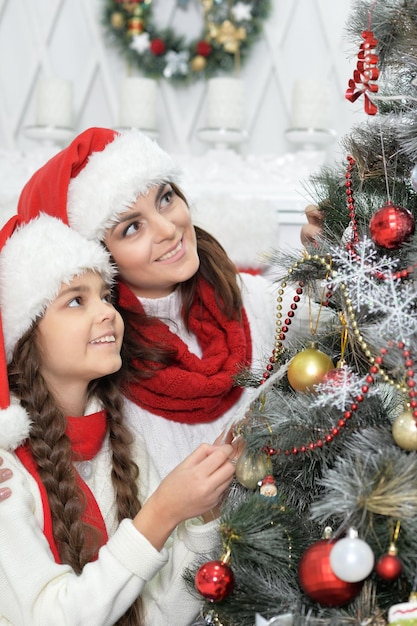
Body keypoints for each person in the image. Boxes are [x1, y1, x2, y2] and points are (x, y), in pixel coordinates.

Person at [17, 127, 331, 478]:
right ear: (99, 258)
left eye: (165, 198)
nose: (168, 228)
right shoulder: (98, 361)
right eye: (132, 228)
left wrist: (334, 265)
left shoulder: (251, 299)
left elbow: (356, 331)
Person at [0, 213, 236, 625]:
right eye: (76, 300)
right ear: (24, 334)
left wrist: (202, 513)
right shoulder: (6, 473)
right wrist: (160, 513)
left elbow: (160, 615)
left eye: (105, 296)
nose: (108, 312)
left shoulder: (121, 445)